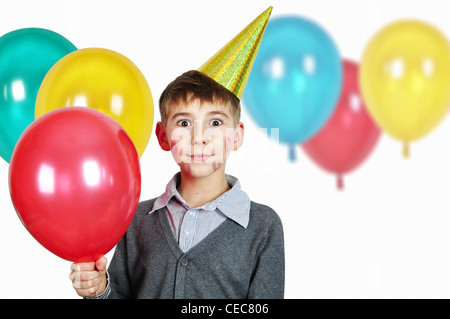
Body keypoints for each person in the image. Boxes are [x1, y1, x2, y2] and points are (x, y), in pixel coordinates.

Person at [69, 6, 284, 299]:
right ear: (163, 136)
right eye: (184, 123)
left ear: (236, 136)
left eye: (216, 122)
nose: (199, 138)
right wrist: (100, 290)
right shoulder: (135, 219)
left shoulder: (263, 226)